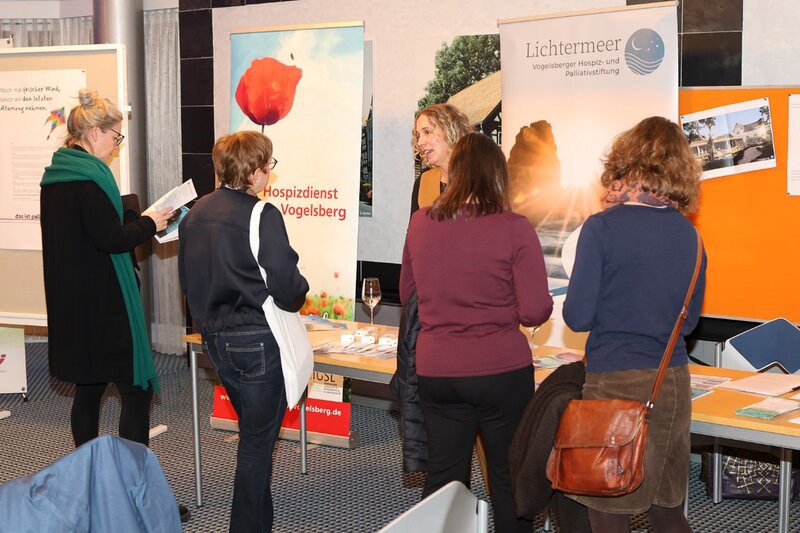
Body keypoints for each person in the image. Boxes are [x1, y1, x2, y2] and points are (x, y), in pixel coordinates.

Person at [400, 132, 553, 533]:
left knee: (444, 477)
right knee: (508, 477)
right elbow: (535, 310)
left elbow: (408, 295)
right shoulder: (515, 227)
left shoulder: (421, 222)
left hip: (437, 369)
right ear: (497, 175)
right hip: (500, 370)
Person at [562, 116, 707, 533]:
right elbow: (690, 324)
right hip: (671, 383)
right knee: (666, 509)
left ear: (626, 161)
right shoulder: (692, 237)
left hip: (614, 380)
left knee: (608, 508)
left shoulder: (601, 228)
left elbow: (577, 317)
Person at [178, 130, 309, 533]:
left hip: (215, 341)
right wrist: (300, 291)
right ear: (253, 173)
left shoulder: (195, 213)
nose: (269, 172)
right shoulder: (262, 215)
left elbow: (187, 280)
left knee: (254, 435)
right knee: (256, 445)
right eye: (268, 165)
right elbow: (287, 287)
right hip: (258, 341)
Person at [40, 88, 173, 449]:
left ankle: (88, 469)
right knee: (137, 391)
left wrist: (128, 215)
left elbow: (85, 234)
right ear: (95, 132)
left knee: (89, 388)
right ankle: (131, 476)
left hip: (74, 304)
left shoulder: (57, 175)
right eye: (116, 137)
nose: (116, 146)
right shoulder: (89, 179)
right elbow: (112, 239)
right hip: (104, 305)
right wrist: (150, 223)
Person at [409, 103, 473, 217]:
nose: (419, 142)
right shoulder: (424, 181)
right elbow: (415, 228)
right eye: (418, 135)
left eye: (427, 132)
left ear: (451, 131)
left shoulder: (482, 181)